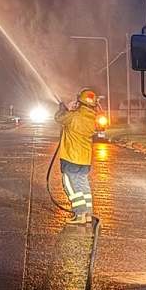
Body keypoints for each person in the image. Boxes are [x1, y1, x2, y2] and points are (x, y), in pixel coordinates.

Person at [54, 88, 97, 224]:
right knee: (83, 184)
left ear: (79, 102)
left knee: (71, 186)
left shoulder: (73, 116)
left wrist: (62, 109)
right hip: (85, 159)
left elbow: (59, 118)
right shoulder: (91, 119)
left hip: (71, 157)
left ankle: (79, 215)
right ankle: (87, 214)